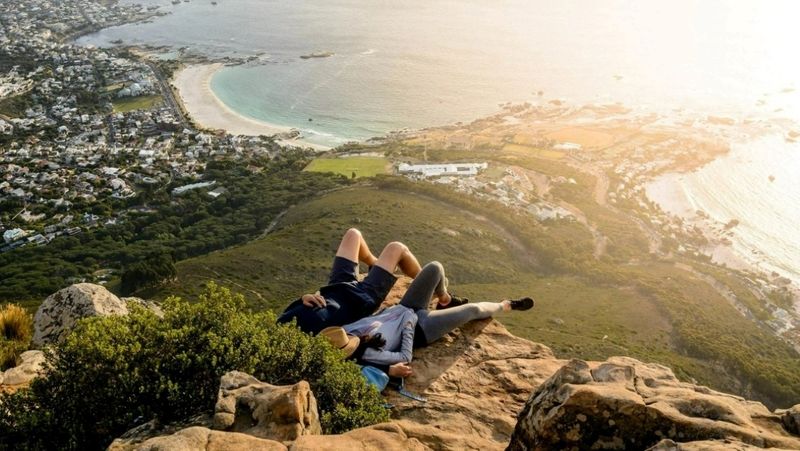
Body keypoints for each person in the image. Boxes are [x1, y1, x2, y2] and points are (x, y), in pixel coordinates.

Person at [343, 261, 534, 378]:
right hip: (420, 328)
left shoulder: (344, 331)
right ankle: (505, 305)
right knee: (473, 309)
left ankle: (445, 300)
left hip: (403, 308)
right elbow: (404, 357)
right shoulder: (369, 354)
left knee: (435, 268)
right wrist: (409, 325)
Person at [278, 229, 462, 335]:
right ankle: (439, 292)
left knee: (353, 234)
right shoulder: (306, 344)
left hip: (335, 287)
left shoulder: (279, 327)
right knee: (396, 247)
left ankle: (376, 265)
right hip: (361, 298)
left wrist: (305, 297)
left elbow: (291, 309)